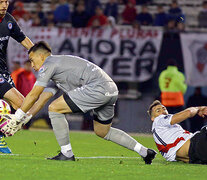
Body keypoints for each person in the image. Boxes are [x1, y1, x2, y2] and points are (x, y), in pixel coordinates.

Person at [1, 41, 157, 164]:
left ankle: (67, 154)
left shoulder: (48, 64)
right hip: (111, 89)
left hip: (97, 88)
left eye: (32, 60)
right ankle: (145, 152)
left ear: (41, 56)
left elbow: (34, 94)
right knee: (103, 131)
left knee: (55, 108)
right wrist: (24, 119)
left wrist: (15, 118)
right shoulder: (59, 68)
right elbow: (42, 99)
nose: (33, 66)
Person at [0, 0, 33, 153]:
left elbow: (23, 38)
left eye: (6, 1)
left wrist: (37, 54)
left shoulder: (8, 20)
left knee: (21, 106)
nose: (4, 5)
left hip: (4, 71)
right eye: (0, 2)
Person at [148, 100, 207, 164]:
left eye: (164, 109)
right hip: (196, 144)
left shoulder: (160, 131)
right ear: (152, 118)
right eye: (158, 111)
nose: (162, 111)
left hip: (194, 157)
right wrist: (199, 109)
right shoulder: (159, 119)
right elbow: (189, 112)